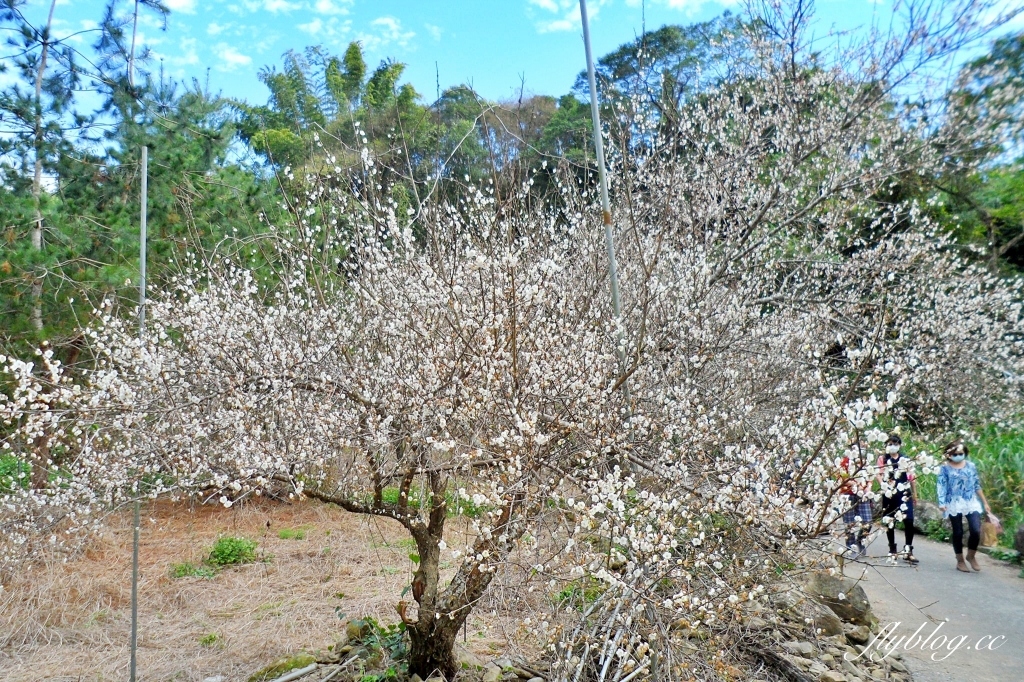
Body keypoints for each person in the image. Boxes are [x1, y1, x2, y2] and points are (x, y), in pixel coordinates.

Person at [937, 440, 992, 572]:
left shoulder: (970, 466)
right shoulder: (944, 468)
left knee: (975, 530)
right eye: (955, 454)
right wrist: (942, 502)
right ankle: (960, 560)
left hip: (970, 501)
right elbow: (941, 485)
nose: (958, 456)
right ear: (949, 454)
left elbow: (976, 485)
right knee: (958, 531)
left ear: (965, 453)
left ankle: (971, 555)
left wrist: (985, 502)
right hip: (953, 502)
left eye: (960, 453)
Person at [876, 434, 918, 564]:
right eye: (890, 444)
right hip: (889, 494)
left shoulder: (905, 459)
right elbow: (879, 474)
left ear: (899, 445)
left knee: (909, 521)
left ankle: (908, 550)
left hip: (904, 493)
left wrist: (914, 494)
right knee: (890, 521)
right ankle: (892, 549)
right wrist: (884, 485)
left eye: (895, 444)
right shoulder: (883, 459)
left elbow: (911, 477)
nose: (893, 447)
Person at [839, 442, 873, 556]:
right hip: (848, 494)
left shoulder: (865, 462)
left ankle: (860, 540)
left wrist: (868, 487)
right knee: (849, 523)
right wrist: (856, 484)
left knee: (867, 521)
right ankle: (851, 547)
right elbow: (843, 478)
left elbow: (870, 477)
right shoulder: (845, 461)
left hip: (863, 494)